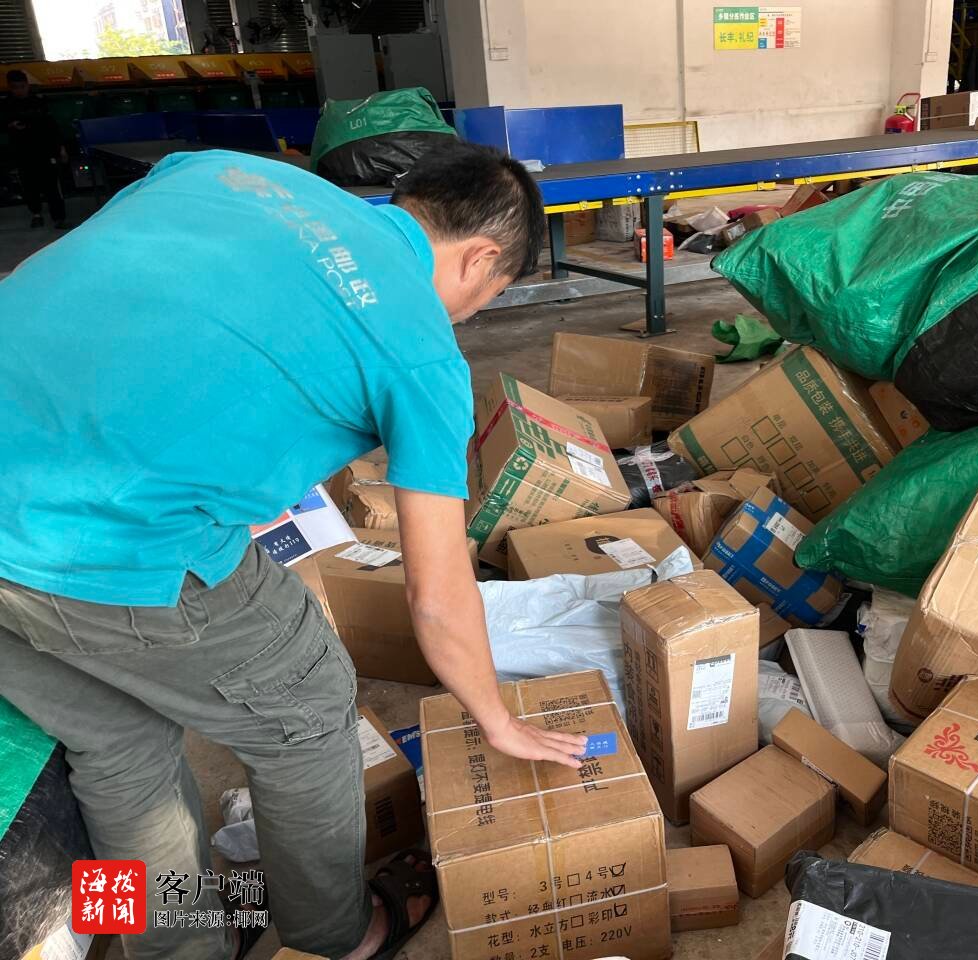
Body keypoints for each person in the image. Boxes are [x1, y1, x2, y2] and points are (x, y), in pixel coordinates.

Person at [0, 141, 583, 960]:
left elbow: (135, 308)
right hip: (103, 542)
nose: (469, 317)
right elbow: (437, 594)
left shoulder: (222, 170)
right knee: (306, 699)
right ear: (482, 258)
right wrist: (497, 719)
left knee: (117, 744)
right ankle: (338, 932)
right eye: (486, 299)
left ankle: (174, 944)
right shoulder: (419, 350)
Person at [1, 68, 67, 228]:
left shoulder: (38, 102)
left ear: (27, 85)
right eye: (15, 87)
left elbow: (52, 127)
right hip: (22, 151)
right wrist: (11, 125)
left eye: (22, 86)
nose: (20, 91)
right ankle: (36, 214)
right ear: (10, 87)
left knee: (51, 186)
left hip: (44, 150)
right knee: (29, 185)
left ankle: (59, 218)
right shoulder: (6, 105)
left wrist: (61, 148)